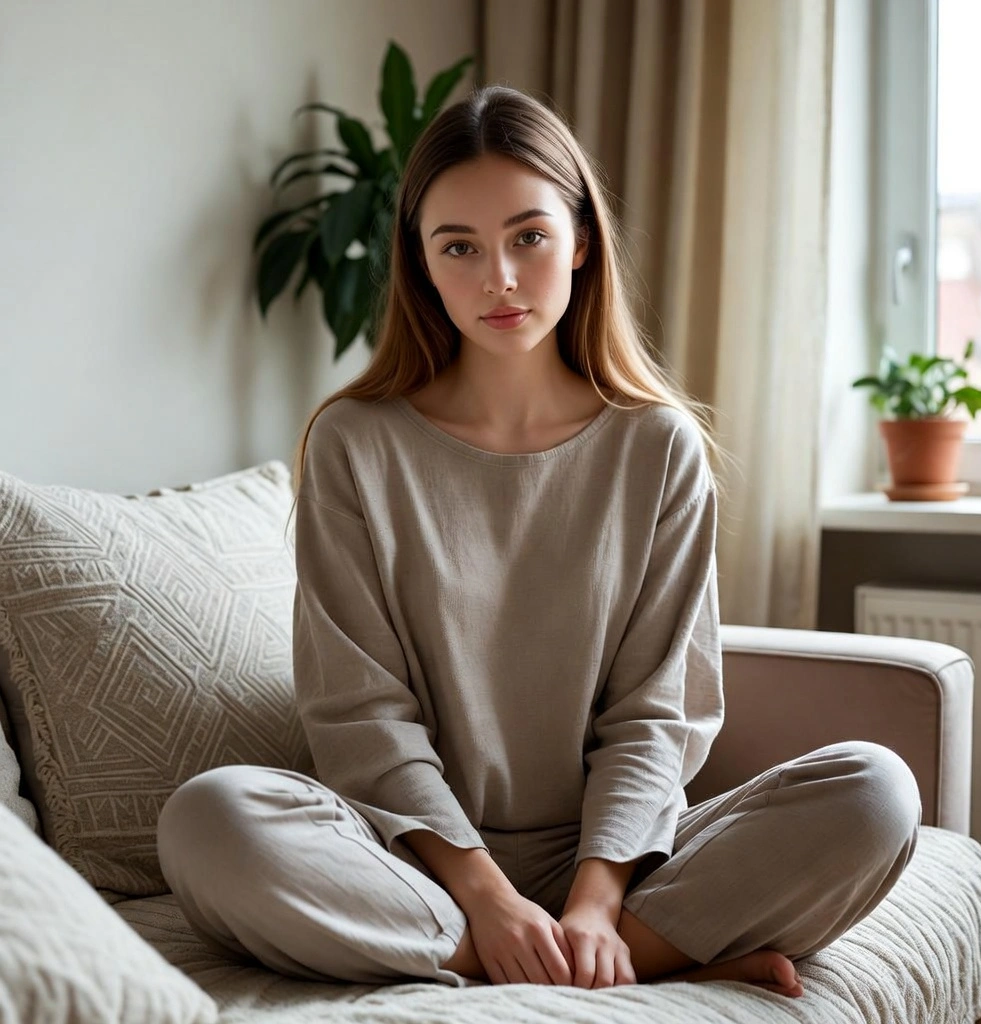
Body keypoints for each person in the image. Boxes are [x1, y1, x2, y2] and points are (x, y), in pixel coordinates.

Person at [156, 84, 921, 998]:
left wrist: (597, 901)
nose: (501, 280)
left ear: (582, 240)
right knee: (209, 821)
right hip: (416, 860)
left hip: (622, 862)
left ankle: (582, 950)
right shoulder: (356, 443)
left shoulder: (657, 445)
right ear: (422, 266)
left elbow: (656, 711)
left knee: (877, 792)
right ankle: (643, 962)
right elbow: (359, 715)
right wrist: (483, 897)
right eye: (460, 248)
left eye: (529, 237)